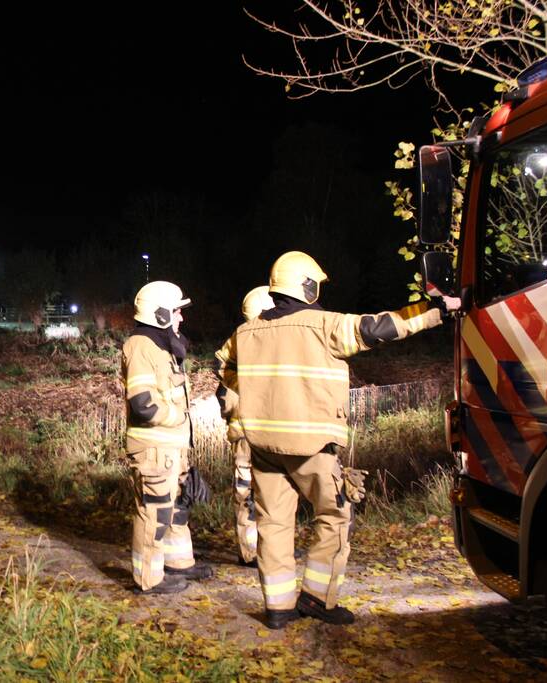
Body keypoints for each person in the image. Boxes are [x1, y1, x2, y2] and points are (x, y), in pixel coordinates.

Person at [218, 251, 461, 628]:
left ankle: (278, 608)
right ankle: (317, 599)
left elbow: (226, 371)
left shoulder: (245, 333)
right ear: (307, 287)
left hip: (263, 447)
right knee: (334, 516)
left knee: (273, 525)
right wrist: (436, 310)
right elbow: (381, 327)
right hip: (312, 446)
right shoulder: (322, 324)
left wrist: (241, 400)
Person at [122, 280, 214, 594]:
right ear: (160, 314)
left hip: (171, 448)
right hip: (154, 449)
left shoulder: (162, 347)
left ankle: (177, 563)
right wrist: (181, 418)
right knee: (154, 514)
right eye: (176, 311)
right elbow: (144, 405)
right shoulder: (141, 346)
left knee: (177, 509)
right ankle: (148, 579)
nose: (181, 318)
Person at [216, 286, 275, 568]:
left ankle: (250, 551)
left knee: (246, 494)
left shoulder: (235, 345)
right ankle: (265, 551)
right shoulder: (269, 344)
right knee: (267, 494)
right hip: (264, 436)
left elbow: (224, 397)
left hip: (242, 436)